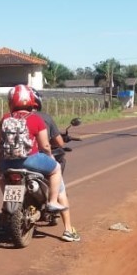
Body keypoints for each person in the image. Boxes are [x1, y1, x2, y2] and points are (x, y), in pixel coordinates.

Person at [0, 84, 78, 242]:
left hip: (7, 163)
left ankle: (7, 208)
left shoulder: (5, 118)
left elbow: (0, 142)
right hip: (30, 160)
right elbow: (45, 145)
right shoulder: (35, 119)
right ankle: (54, 204)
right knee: (56, 169)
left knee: (1, 177)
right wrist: (50, 157)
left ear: (11, 101)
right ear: (31, 101)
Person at [31, 89, 80, 242]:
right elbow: (55, 143)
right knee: (60, 188)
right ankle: (68, 230)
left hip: (16, 160)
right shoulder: (43, 117)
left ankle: (3, 221)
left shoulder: (12, 117)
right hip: (39, 159)